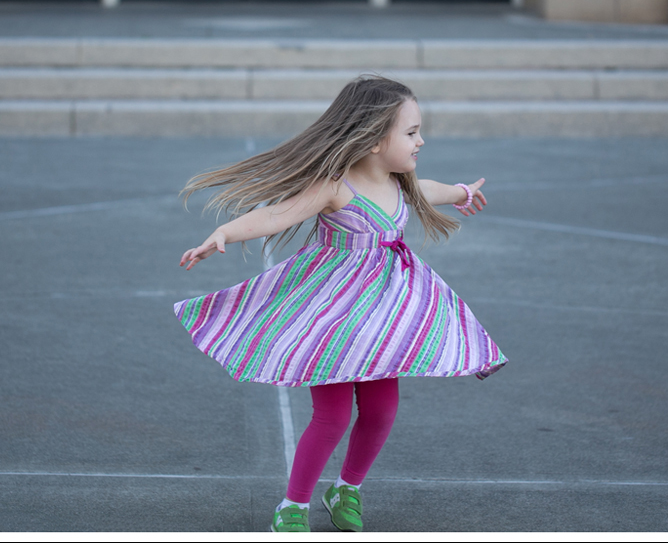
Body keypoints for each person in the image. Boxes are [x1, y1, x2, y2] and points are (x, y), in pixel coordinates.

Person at [174, 75, 507, 532]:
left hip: (382, 319)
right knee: (330, 416)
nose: (421, 140)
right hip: (330, 318)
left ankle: (347, 488)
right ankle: (293, 506)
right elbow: (278, 214)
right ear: (373, 140)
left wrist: (461, 192)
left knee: (381, 411)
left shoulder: (401, 185)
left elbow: (428, 190)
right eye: (411, 133)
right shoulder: (336, 187)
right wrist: (225, 233)